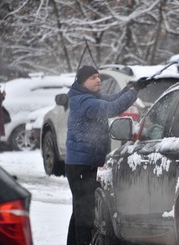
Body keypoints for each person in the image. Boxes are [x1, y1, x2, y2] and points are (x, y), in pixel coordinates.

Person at [65, 65, 147, 245]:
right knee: (85, 216)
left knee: (79, 211)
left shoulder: (88, 97)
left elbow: (112, 98)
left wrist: (129, 89)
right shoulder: (84, 102)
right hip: (81, 166)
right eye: (93, 77)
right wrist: (134, 92)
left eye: (98, 77)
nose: (98, 80)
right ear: (82, 81)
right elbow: (112, 108)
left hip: (84, 164)